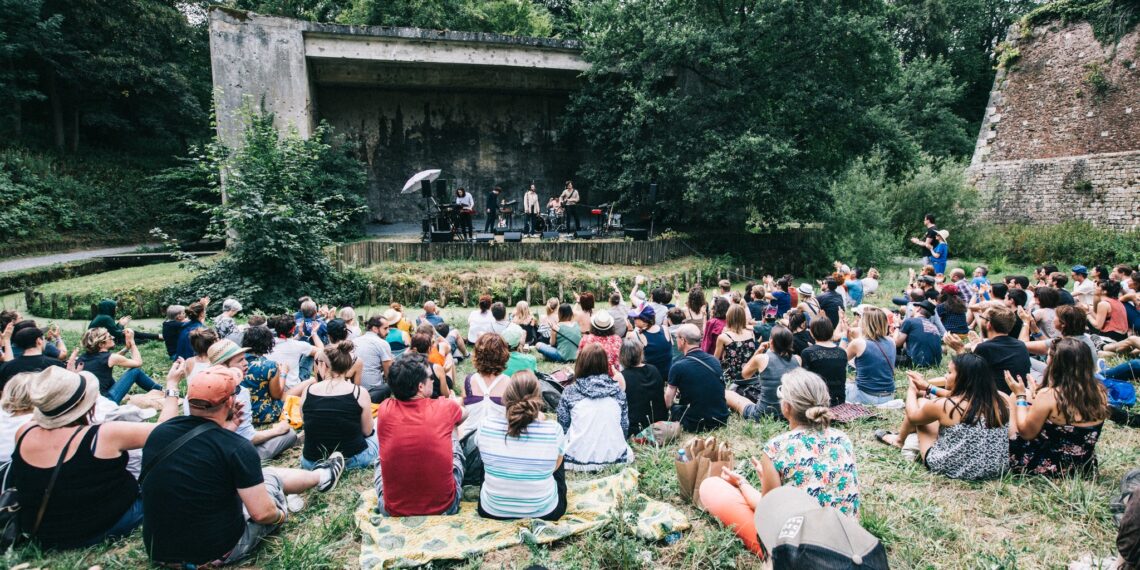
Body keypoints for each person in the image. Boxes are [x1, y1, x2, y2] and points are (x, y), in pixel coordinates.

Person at [142, 366, 345, 566]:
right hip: (215, 552)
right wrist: (280, 516)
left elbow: (198, 466)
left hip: (159, 551)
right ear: (231, 400)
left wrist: (226, 430)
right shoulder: (236, 447)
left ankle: (320, 475)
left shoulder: (159, 433)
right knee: (270, 477)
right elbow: (262, 514)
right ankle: (322, 476)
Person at [9, 365, 180, 550]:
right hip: (105, 525)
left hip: (45, 534)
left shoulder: (24, 432)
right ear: (84, 403)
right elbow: (166, 430)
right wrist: (172, 385)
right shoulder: (104, 435)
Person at [701, 370, 861, 556]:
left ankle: (771, 556)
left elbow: (767, 514)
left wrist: (742, 484)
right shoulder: (843, 439)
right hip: (849, 547)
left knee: (711, 487)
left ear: (786, 408)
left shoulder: (776, 449)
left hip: (802, 556)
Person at [877, 354, 1010, 480]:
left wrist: (912, 390)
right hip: (995, 469)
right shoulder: (1002, 399)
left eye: (949, 372)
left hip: (952, 468)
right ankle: (902, 439)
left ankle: (899, 441)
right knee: (929, 408)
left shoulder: (946, 405)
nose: (945, 376)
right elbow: (961, 397)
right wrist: (929, 388)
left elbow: (912, 416)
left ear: (963, 378)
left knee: (922, 405)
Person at [374, 353, 466, 516]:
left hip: (392, 510)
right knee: (451, 430)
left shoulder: (384, 409)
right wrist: (453, 403)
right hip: (445, 507)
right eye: (430, 377)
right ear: (420, 387)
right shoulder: (444, 407)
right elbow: (464, 414)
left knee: (379, 459)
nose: (433, 380)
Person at [1005, 338, 1107, 477]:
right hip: (1083, 466)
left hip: (1046, 467)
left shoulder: (1049, 395)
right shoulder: (1099, 391)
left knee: (1013, 398)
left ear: (1055, 362)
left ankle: (1010, 455)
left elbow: (1026, 433)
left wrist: (1020, 396)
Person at [477, 370, 567, 520]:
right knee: (559, 453)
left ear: (506, 395)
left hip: (492, 510)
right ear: (538, 398)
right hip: (545, 511)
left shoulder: (485, 425)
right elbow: (554, 468)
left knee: (487, 455)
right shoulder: (554, 430)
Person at [299, 342, 378, 471]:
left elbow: (306, 421)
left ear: (323, 365)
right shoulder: (359, 392)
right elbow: (367, 431)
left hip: (311, 462)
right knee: (378, 425)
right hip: (353, 460)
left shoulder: (307, 391)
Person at [556, 344, 632, 471]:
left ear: (581, 363)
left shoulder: (570, 391)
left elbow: (562, 426)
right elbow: (624, 427)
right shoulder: (618, 392)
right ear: (604, 364)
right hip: (616, 459)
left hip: (574, 461)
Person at [727, 327, 801, 420]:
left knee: (727, 394)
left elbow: (744, 375)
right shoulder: (798, 359)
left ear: (771, 342)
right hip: (788, 414)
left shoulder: (762, 358)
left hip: (763, 415)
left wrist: (757, 352)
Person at [665, 324, 728, 432]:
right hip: (721, 419)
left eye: (676, 337)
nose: (676, 341)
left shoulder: (678, 366)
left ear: (683, 340)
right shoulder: (714, 360)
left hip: (695, 422)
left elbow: (668, 402)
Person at [76, 328, 163, 404]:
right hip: (107, 401)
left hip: (90, 402)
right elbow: (138, 363)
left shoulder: (82, 358)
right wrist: (132, 343)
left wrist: (126, 348)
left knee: (105, 374)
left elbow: (112, 358)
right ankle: (160, 391)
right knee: (135, 371)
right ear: (101, 344)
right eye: (109, 337)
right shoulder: (110, 358)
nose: (113, 337)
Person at [241, 324, 303, 426]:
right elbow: (277, 395)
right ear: (267, 343)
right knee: (311, 381)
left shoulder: (235, 361)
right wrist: (283, 373)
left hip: (240, 413)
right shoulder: (269, 365)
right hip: (263, 414)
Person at [840, 307, 898, 405]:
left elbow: (837, 359)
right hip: (888, 396)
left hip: (865, 396)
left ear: (865, 323)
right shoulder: (891, 341)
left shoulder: (858, 343)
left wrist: (845, 336)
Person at [459, 333, 511, 439]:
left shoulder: (468, 380)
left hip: (471, 441)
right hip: (497, 440)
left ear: (478, 354)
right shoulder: (509, 382)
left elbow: (463, 409)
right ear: (503, 355)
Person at [971, 307, 1031, 395]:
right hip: (1019, 397)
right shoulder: (1021, 345)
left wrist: (959, 349)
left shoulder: (984, 348)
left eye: (982, 318)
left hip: (997, 400)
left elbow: (967, 377)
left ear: (989, 324)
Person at [619, 338, 667, 436]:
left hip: (637, 428)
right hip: (660, 423)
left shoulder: (622, 376)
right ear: (640, 353)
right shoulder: (654, 369)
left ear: (622, 355)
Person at [0, 326, 64, 393]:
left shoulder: (7, 367)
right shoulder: (56, 365)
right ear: (39, 341)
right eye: (44, 338)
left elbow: (3, 393)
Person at [800, 318, 848, 406]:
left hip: (817, 402)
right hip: (839, 401)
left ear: (812, 333)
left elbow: (805, 382)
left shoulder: (808, 353)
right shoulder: (842, 352)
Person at [267, 314, 323, 389]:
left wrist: (299, 336)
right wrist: (314, 333)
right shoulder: (299, 345)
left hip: (272, 387)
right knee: (310, 354)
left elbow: (285, 342)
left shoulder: (267, 343)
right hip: (292, 388)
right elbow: (321, 351)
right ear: (293, 330)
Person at [352, 316, 396, 403]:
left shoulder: (354, 341)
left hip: (353, 391)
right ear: (375, 329)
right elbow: (389, 374)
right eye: (385, 328)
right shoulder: (382, 343)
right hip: (372, 392)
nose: (388, 331)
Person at [627, 304, 673, 382]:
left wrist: (629, 330)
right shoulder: (665, 329)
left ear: (644, 321)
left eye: (635, 318)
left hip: (649, 377)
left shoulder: (635, 335)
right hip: (667, 373)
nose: (633, 319)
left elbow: (628, 355)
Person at [88, 298, 160, 346]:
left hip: (97, 341)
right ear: (109, 308)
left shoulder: (101, 316)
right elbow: (117, 334)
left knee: (131, 334)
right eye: (114, 307)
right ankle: (158, 337)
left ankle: (157, 337)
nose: (116, 309)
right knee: (132, 334)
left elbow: (112, 331)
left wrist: (120, 324)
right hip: (100, 343)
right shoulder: (106, 318)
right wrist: (121, 324)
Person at [715, 304, 757, 382]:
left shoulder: (723, 337)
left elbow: (715, 360)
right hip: (751, 375)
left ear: (729, 318)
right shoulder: (751, 333)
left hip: (733, 378)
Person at [895, 300, 943, 368]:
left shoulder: (910, 321)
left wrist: (896, 325)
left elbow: (896, 343)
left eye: (914, 307)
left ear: (918, 308)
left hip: (916, 363)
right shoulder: (934, 327)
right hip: (935, 364)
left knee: (885, 355)